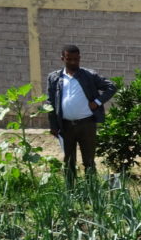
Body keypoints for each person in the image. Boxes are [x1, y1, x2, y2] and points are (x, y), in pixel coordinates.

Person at [47, 44, 117, 181]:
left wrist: (97, 102)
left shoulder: (89, 75)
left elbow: (111, 87)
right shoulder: (54, 77)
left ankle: (91, 190)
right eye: (69, 59)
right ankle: (70, 192)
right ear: (63, 58)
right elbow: (50, 102)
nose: (73, 62)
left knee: (89, 160)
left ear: (80, 58)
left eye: (76, 59)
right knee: (69, 161)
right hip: (65, 126)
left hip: (87, 124)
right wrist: (53, 125)